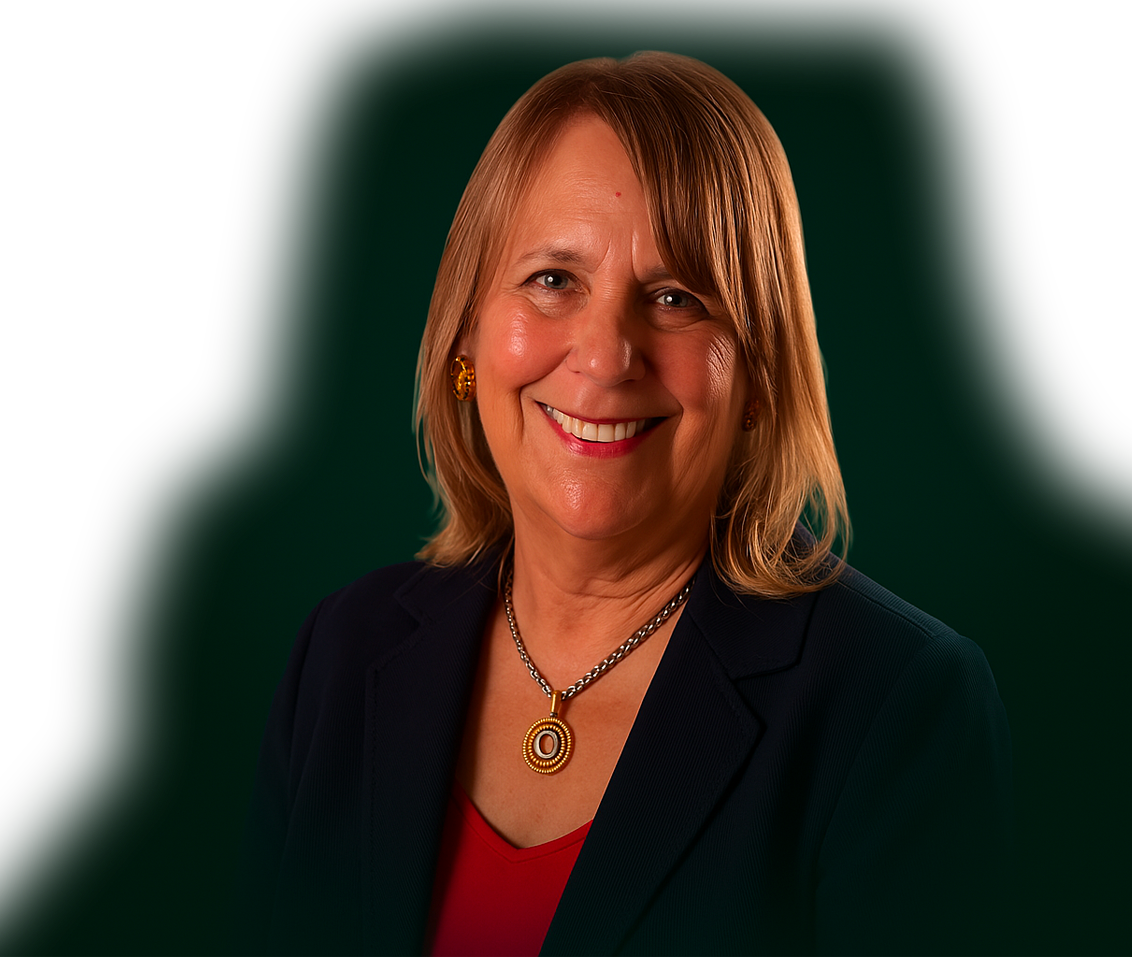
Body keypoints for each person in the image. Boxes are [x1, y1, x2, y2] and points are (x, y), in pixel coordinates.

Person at [239, 51, 1011, 956]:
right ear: (466, 337)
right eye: (552, 280)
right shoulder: (341, 649)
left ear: (758, 375)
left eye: (677, 297)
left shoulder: (898, 704)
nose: (605, 356)